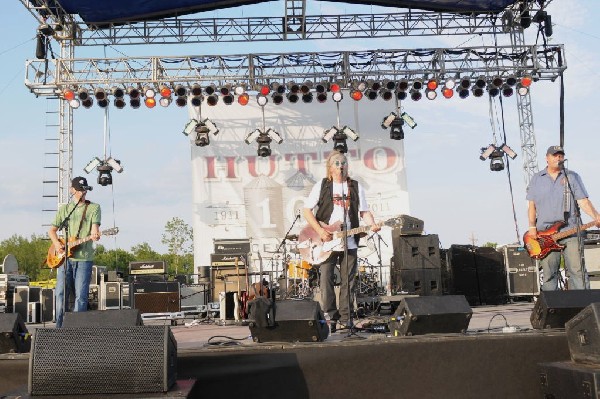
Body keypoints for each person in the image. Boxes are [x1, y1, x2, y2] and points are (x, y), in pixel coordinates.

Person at [303, 151, 380, 332]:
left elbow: (364, 212)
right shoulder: (322, 185)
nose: (341, 165)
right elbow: (307, 210)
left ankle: (347, 318)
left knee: (348, 281)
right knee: (326, 280)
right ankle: (332, 315)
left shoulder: (354, 186)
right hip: (326, 241)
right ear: (330, 167)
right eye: (337, 163)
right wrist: (321, 231)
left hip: (349, 240)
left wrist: (373, 224)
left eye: (343, 162)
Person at [526, 145, 600, 291]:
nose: (558, 158)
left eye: (560, 155)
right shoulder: (537, 179)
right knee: (549, 274)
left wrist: (596, 216)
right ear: (547, 158)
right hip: (544, 234)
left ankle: (583, 307)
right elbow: (531, 205)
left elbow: (583, 201)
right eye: (555, 155)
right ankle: (551, 310)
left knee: (577, 271)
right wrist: (531, 227)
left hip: (570, 230)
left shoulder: (571, 176)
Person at [48, 176, 101, 327]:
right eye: (78, 190)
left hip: (84, 258)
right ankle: (59, 328)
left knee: (80, 297)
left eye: (84, 190)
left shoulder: (93, 208)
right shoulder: (65, 209)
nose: (82, 193)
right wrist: (57, 245)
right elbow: (52, 231)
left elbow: (95, 229)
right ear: (72, 190)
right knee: (60, 294)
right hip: (65, 259)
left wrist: (95, 233)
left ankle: (77, 330)